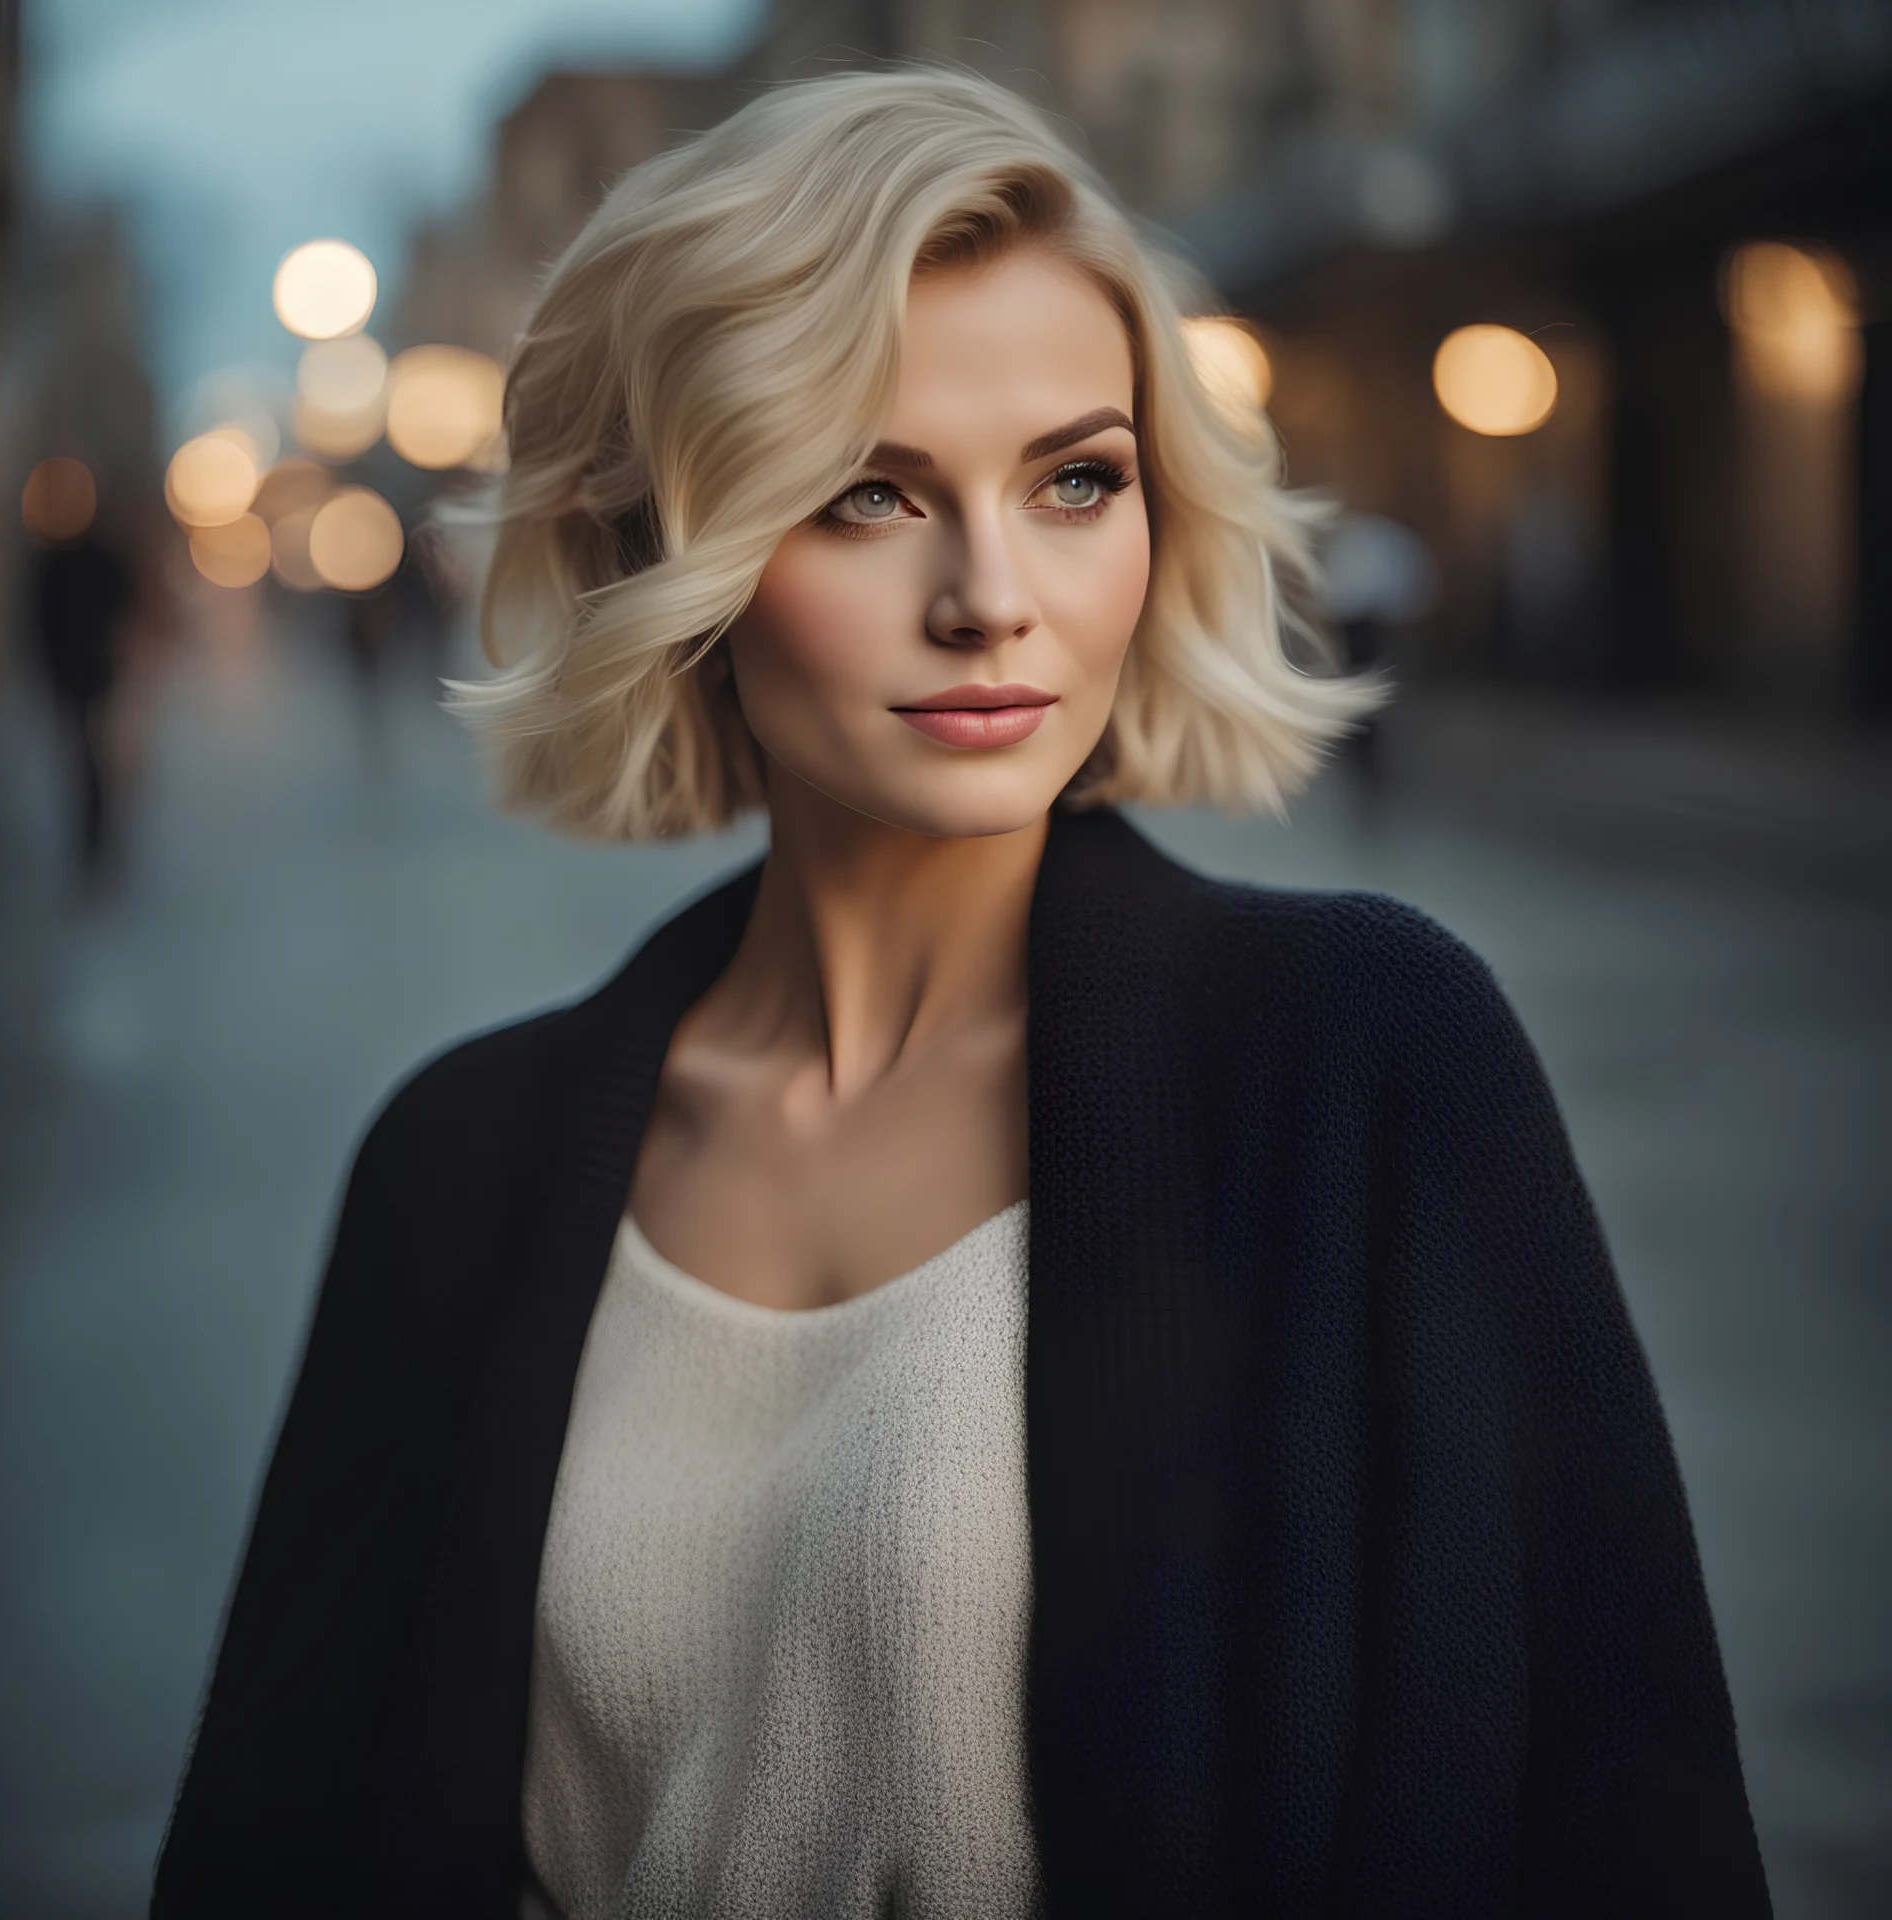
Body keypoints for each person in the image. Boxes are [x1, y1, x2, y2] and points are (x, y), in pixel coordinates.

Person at [151, 68, 1771, 1920]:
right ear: (666, 557)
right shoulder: (454, 1164)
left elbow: (1628, 1828)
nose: (993, 594)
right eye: (866, 494)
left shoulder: (1368, 1069)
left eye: (1078, 480)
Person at [27, 511, 135, 888]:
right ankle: (95, 839)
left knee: (89, 759)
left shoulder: (61, 563)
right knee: (90, 759)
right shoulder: (82, 562)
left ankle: (95, 839)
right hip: (88, 674)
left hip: (84, 675)